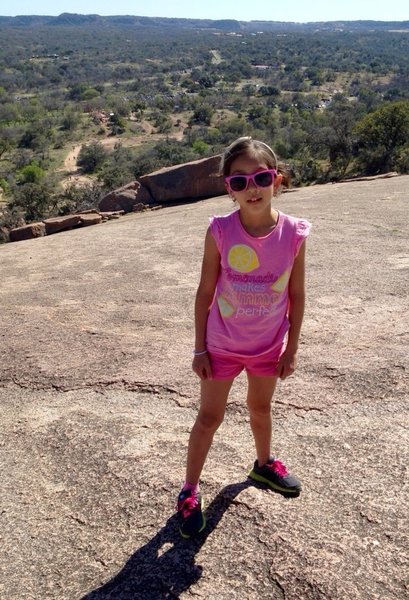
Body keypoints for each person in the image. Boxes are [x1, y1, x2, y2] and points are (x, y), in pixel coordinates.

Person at [177, 136, 311, 538]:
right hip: (222, 345)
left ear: (278, 180)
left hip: (268, 345)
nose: (251, 188)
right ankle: (189, 489)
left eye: (261, 177)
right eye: (239, 181)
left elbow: (297, 294)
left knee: (261, 409)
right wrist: (200, 347)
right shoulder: (220, 231)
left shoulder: (294, 234)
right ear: (228, 189)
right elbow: (205, 292)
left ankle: (263, 464)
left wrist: (292, 347)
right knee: (209, 417)